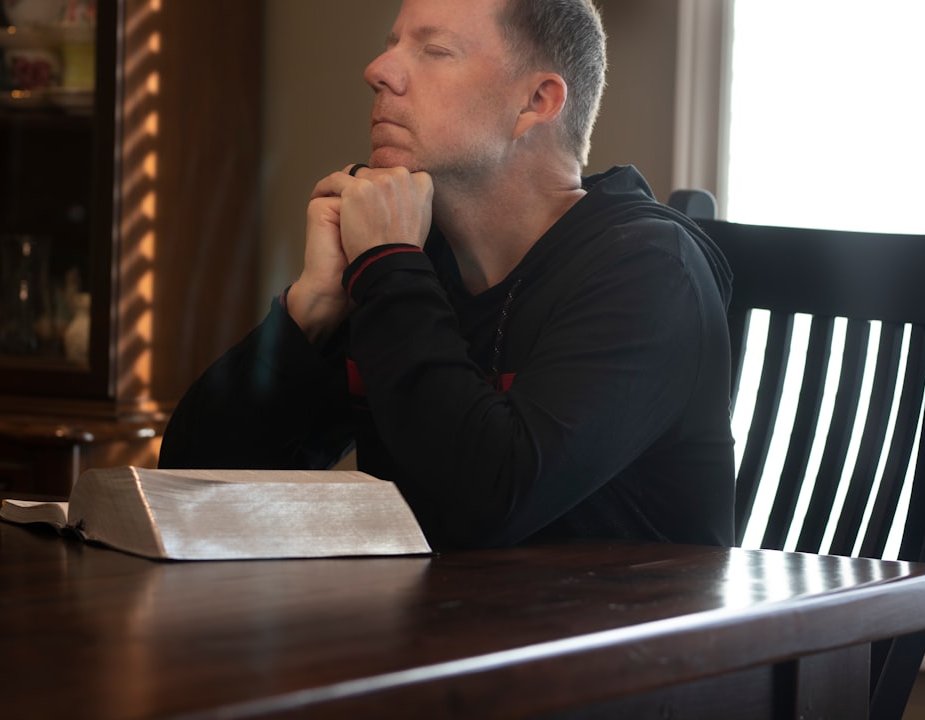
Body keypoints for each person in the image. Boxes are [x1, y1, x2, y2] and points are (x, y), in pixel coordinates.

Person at [159, 0, 735, 551]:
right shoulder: (413, 261)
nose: (377, 70)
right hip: (436, 637)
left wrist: (388, 267)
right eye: (391, 46)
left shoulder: (651, 270)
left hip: (621, 648)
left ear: (536, 101)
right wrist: (311, 313)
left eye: (433, 50)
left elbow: (485, 504)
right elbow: (191, 484)